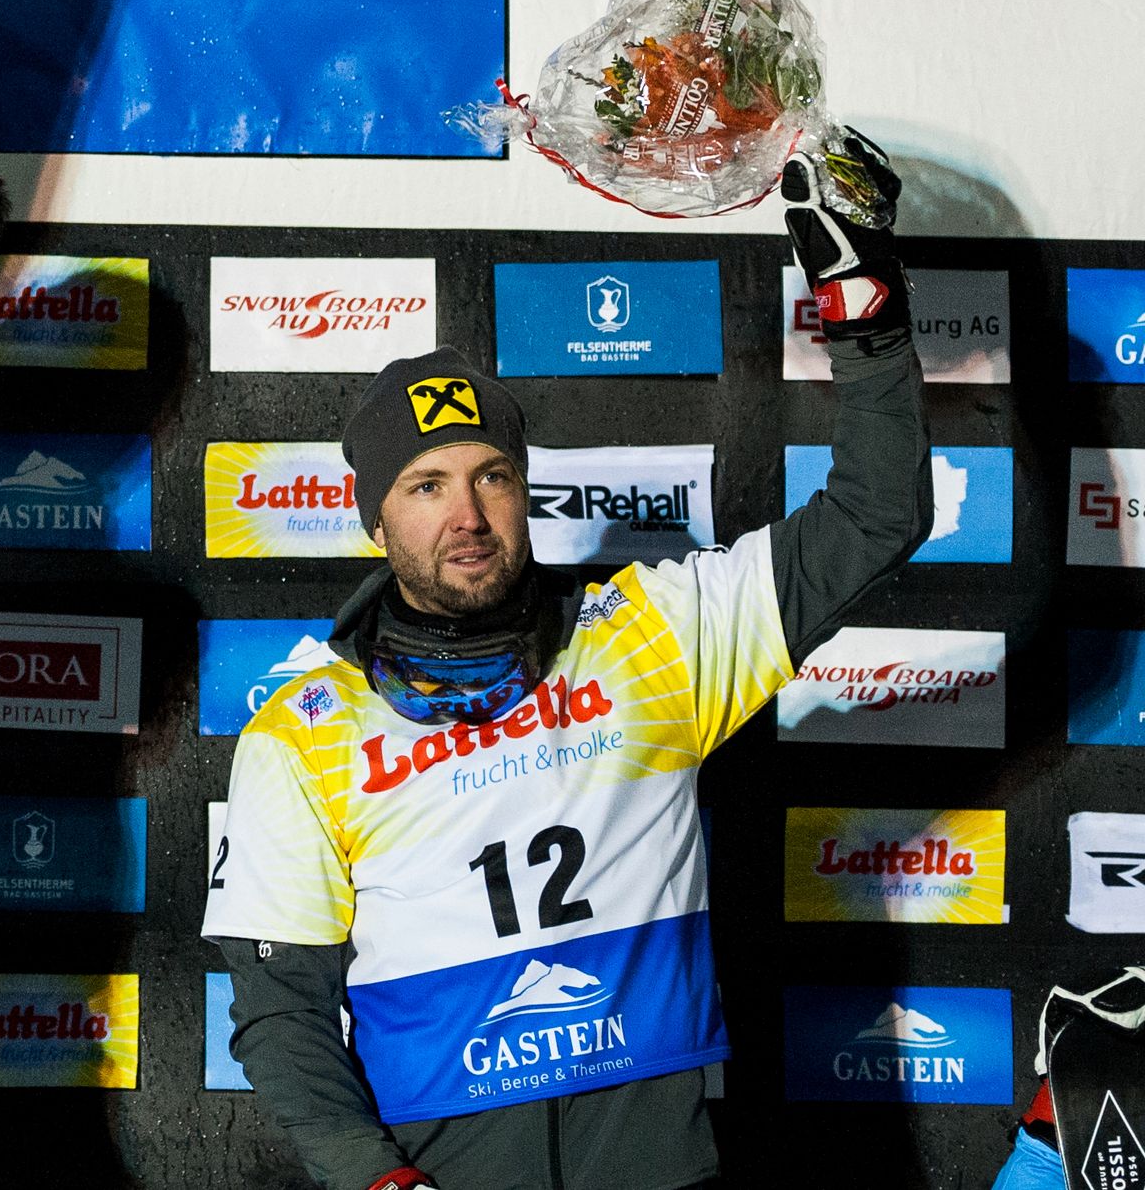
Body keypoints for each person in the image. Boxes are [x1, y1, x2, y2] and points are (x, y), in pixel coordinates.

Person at [203, 134, 933, 1190]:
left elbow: (877, 510)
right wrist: (375, 1177)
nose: (468, 512)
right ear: (373, 518)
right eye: (426, 484)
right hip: (442, 1172)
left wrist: (864, 313)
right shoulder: (300, 731)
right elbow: (280, 1008)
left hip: (666, 1160)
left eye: (493, 474)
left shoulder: (652, 635)